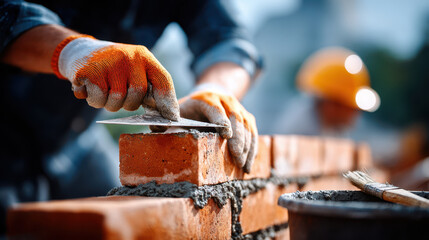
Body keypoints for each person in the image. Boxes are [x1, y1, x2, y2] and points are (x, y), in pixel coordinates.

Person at [0, 0, 262, 232]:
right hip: (7, 139)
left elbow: (229, 39)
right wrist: (71, 51)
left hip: (77, 142)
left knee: (133, 225)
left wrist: (214, 88)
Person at [273, 47, 380, 137]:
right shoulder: (301, 129)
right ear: (332, 104)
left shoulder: (331, 129)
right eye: (351, 108)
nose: (355, 115)